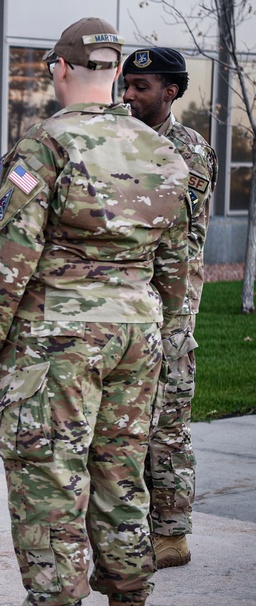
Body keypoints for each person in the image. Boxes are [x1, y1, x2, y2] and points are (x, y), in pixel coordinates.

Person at [0, 18, 191, 606]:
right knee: (123, 478)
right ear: (116, 75)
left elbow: (8, 256)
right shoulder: (162, 153)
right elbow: (175, 263)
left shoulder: (47, 145)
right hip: (139, 334)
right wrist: (162, 327)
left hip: (58, 337)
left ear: (61, 71)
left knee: (50, 482)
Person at [122, 47, 219, 569]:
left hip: (170, 308)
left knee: (167, 422)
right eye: (127, 85)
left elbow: (175, 235)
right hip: (125, 305)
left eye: (142, 87)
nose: (129, 95)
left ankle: (173, 533)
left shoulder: (189, 150)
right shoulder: (118, 135)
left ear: (171, 92)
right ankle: (131, 526)